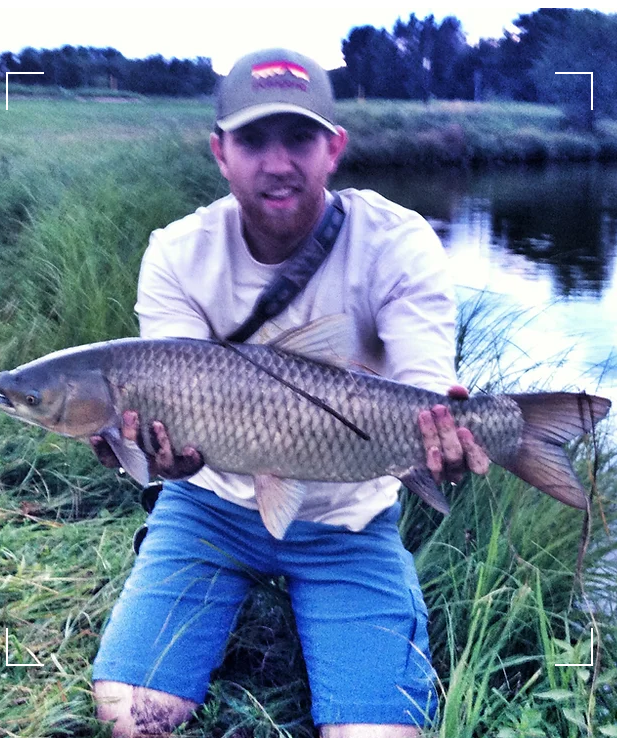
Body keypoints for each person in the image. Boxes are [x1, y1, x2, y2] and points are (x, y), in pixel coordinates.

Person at [90, 48, 489, 737]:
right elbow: (165, 397)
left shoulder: (396, 242)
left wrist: (444, 433)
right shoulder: (177, 253)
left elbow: (424, 386)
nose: (277, 163)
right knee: (132, 720)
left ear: (333, 147)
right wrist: (153, 457)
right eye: (252, 140)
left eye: (299, 138)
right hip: (207, 509)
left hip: (348, 523)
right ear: (220, 152)